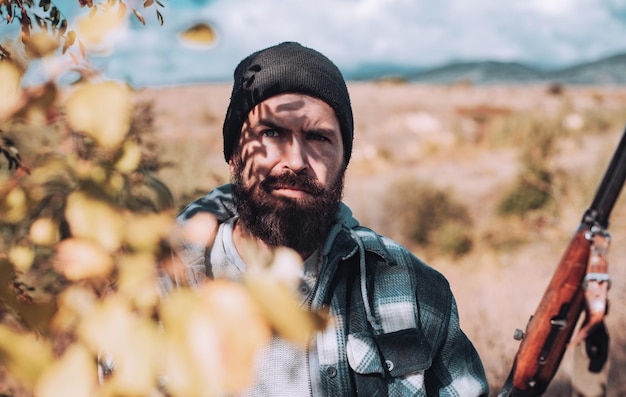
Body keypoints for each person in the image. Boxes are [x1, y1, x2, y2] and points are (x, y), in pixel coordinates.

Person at [165, 41, 489, 396]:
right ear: (234, 155)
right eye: (271, 133)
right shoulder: (159, 285)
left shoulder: (412, 288)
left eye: (318, 137)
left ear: (342, 161)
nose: (296, 161)